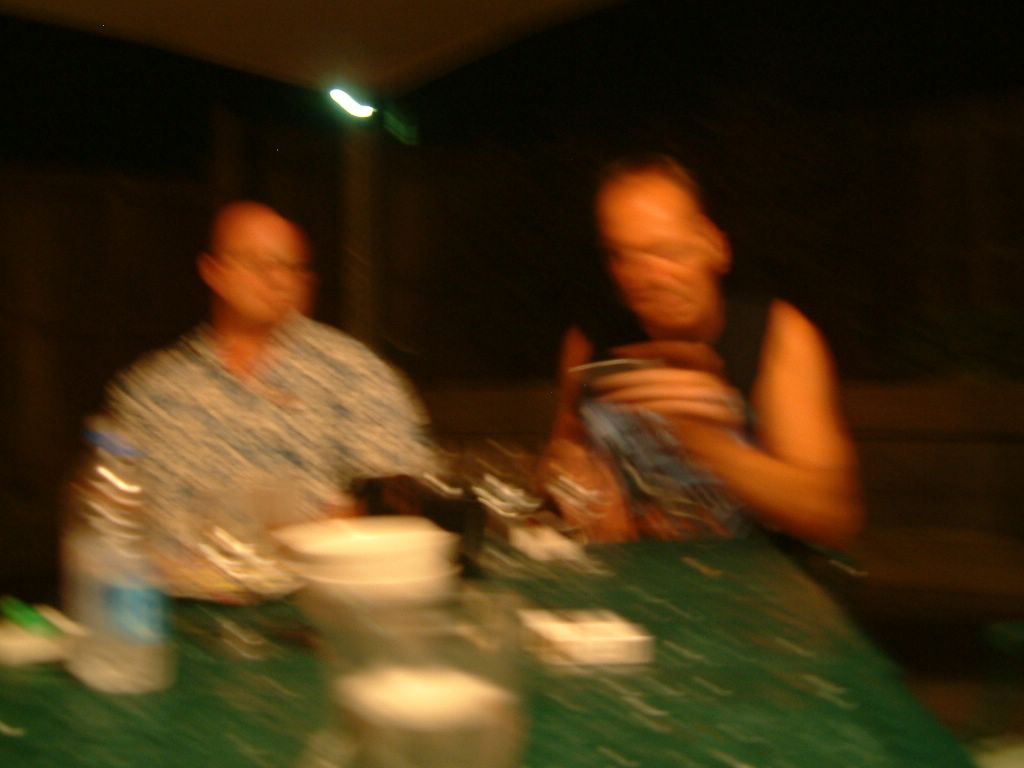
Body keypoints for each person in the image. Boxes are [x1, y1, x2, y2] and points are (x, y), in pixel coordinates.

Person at [105, 201, 439, 595]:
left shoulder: (353, 375)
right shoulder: (153, 393)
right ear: (213, 272)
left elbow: (406, 503)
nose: (277, 279)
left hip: (315, 603)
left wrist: (337, 527)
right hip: (176, 604)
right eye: (256, 263)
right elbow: (112, 519)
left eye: (290, 267)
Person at [542, 156, 863, 548]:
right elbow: (560, 459)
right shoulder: (590, 342)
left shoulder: (774, 336)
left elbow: (832, 513)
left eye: (668, 252)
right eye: (624, 256)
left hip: (752, 576)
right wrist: (571, 483)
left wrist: (699, 439)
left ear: (715, 246)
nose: (650, 277)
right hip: (627, 572)